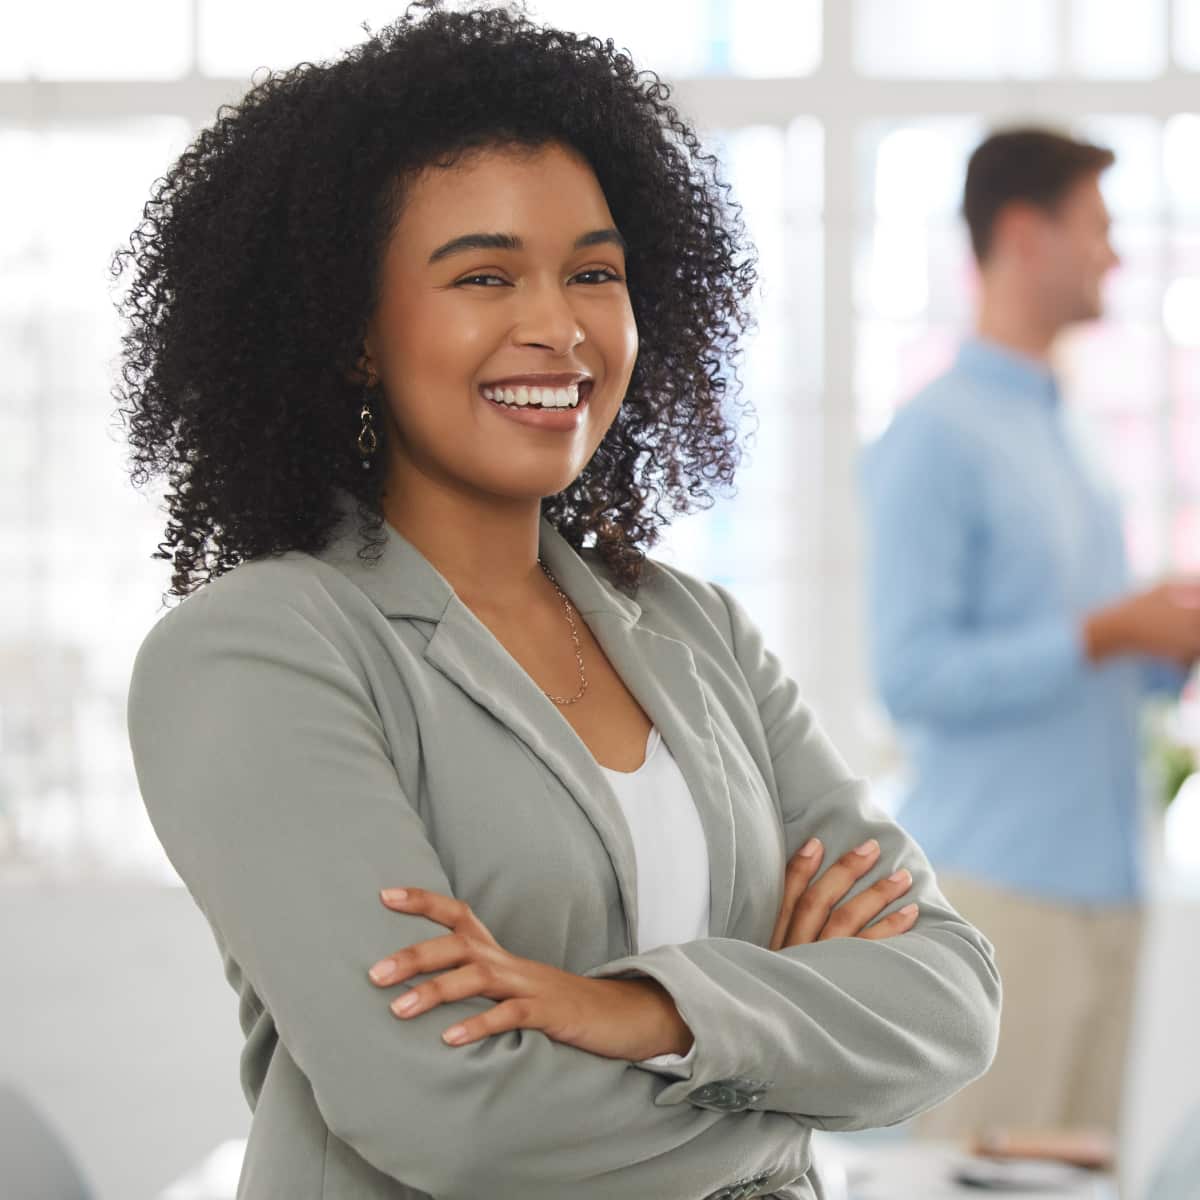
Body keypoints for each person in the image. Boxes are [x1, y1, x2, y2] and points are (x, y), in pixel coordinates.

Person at [117, 5, 1000, 1197]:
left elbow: (951, 1000)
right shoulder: (257, 653)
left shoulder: (699, 634)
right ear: (356, 334)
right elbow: (458, 1117)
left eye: (594, 272)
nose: (558, 327)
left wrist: (632, 1011)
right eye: (485, 274)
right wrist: (789, 1078)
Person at [860, 126, 1200, 1142]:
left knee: (1081, 1179)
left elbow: (1087, 669)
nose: (1116, 255)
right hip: (998, 904)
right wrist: (1103, 633)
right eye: (1097, 227)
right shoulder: (933, 438)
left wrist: (1164, 646)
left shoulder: (1072, 433)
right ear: (1024, 235)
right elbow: (910, 675)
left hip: (1107, 890)